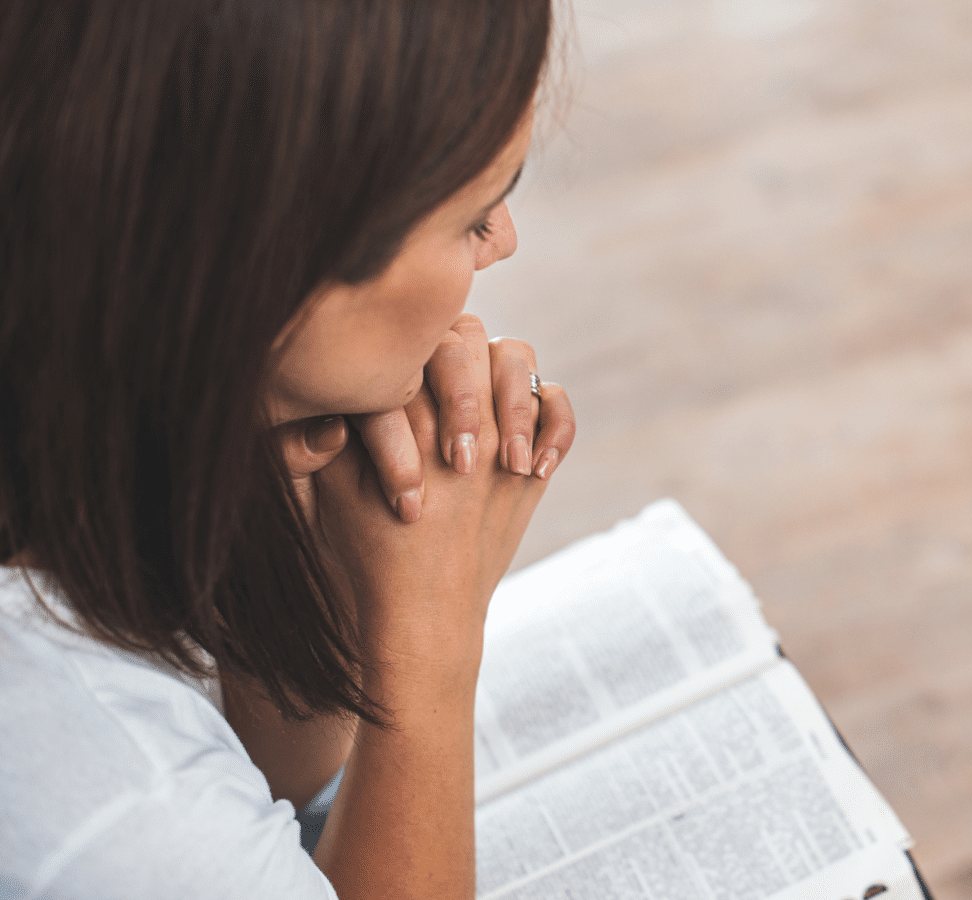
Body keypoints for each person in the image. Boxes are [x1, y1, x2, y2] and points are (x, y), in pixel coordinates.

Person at [0, 1, 576, 898]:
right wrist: (430, 639)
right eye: (474, 213)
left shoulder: (99, 422)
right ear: (276, 265)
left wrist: (307, 536)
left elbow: (271, 787)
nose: (504, 241)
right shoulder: (93, 774)